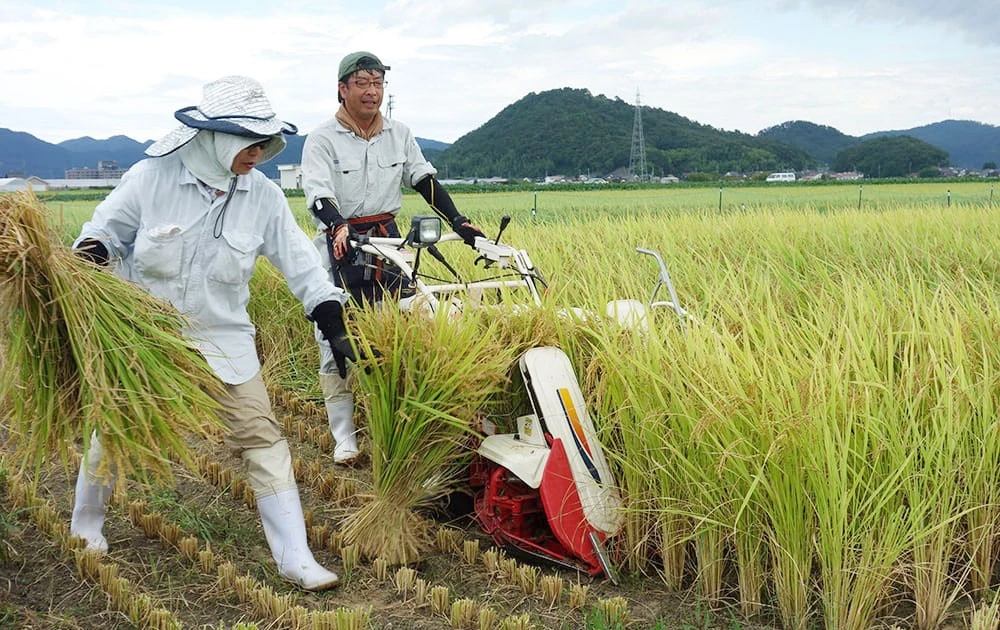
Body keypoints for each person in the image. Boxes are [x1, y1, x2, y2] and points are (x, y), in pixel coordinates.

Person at [70, 76, 357, 592]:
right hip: (148, 335)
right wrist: (91, 254)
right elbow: (105, 233)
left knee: (262, 436)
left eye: (267, 145)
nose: (261, 154)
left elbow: (301, 263)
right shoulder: (151, 178)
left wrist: (329, 314)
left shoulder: (261, 196)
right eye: (251, 144)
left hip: (224, 337)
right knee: (114, 429)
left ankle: (295, 557)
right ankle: (85, 526)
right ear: (217, 137)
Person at [301, 51, 485, 464]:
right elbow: (317, 193)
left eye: (378, 83)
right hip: (342, 242)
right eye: (362, 83)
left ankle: (405, 416)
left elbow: (423, 178)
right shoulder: (322, 139)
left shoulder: (399, 134)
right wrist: (338, 225)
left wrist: (458, 221)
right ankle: (344, 436)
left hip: (389, 241)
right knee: (336, 339)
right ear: (342, 88)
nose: (372, 91)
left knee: (414, 320)